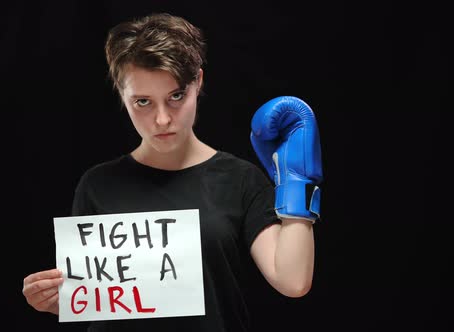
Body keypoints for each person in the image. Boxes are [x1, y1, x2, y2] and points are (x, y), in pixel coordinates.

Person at [22, 12, 322, 332]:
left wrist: (295, 184)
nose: (162, 119)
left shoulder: (240, 180)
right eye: (143, 102)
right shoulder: (97, 184)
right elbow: (95, 299)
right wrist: (60, 298)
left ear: (198, 83)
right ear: (122, 96)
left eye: (176, 96)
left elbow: (293, 282)